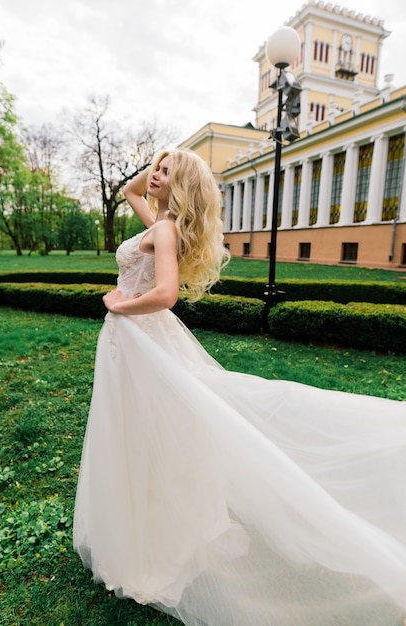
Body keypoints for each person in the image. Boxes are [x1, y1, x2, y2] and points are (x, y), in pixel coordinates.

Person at [73, 148, 406, 626]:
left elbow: (165, 294)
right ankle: (140, 518)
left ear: (180, 185)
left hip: (141, 336)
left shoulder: (164, 230)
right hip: (132, 342)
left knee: (154, 430)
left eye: (166, 174)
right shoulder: (156, 221)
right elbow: (129, 189)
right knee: (137, 428)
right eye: (157, 171)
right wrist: (164, 162)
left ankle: (157, 530)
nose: (156, 177)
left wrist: (116, 305)